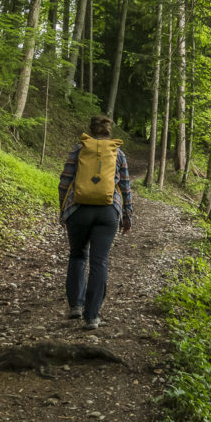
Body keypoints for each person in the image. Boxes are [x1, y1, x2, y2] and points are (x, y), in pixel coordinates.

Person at [58, 115, 133, 329]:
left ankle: (75, 306)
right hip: (108, 212)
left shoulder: (79, 148)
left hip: (79, 210)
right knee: (99, 261)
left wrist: (64, 211)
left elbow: (65, 182)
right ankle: (92, 316)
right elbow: (126, 187)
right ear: (109, 132)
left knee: (78, 254)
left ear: (90, 131)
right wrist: (127, 215)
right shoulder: (118, 153)